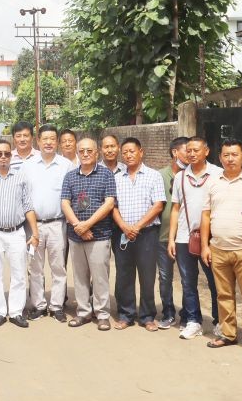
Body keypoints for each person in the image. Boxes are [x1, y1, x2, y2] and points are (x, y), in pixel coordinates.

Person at [199, 139, 242, 351]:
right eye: (226, 155)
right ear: (220, 157)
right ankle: (228, 333)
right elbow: (206, 215)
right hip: (218, 248)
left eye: (234, 154)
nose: (230, 159)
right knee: (223, 294)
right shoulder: (212, 182)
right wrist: (205, 246)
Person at [0, 139, 38, 328]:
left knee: (19, 273)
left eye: (6, 154)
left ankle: (16, 312)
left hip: (16, 232)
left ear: (11, 156)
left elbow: (28, 207)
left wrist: (34, 233)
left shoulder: (21, 177)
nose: (3, 157)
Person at [168, 136, 223, 340]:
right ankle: (193, 321)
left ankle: (219, 321)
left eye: (196, 150)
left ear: (206, 151)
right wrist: (172, 239)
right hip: (184, 237)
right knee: (187, 282)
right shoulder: (181, 177)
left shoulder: (218, 174)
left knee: (215, 282)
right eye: (188, 150)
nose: (191, 154)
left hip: (211, 239)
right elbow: (175, 209)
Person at [61, 137, 117, 330]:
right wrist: (78, 225)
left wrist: (88, 225)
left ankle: (102, 314)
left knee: (100, 276)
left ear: (96, 153)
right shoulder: (70, 176)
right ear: (77, 153)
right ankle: (83, 312)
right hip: (76, 236)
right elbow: (65, 202)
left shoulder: (106, 174)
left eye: (89, 151)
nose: (85, 154)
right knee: (79, 276)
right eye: (82, 151)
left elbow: (109, 203)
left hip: (99, 235)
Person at [110, 137, 165, 331]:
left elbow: (158, 205)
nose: (128, 155)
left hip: (147, 234)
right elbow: (112, 206)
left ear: (141, 152)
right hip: (122, 233)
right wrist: (125, 226)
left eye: (132, 151)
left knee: (147, 275)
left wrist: (138, 226)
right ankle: (126, 315)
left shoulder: (153, 175)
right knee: (124, 275)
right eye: (124, 152)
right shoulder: (116, 177)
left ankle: (147, 316)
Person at [23, 124, 72, 322]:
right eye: (45, 139)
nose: (49, 142)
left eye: (53, 139)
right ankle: (39, 306)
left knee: (58, 267)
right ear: (38, 141)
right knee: (35, 267)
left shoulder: (66, 165)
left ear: (57, 142)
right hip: (33, 226)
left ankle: (57, 306)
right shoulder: (28, 166)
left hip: (57, 224)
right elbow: (24, 197)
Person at [156, 137, 188, 329]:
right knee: (165, 277)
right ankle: (168, 312)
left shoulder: (193, 177)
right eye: (187, 151)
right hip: (162, 235)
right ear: (175, 153)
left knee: (187, 278)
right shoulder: (159, 176)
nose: (191, 155)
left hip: (185, 237)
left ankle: (188, 314)